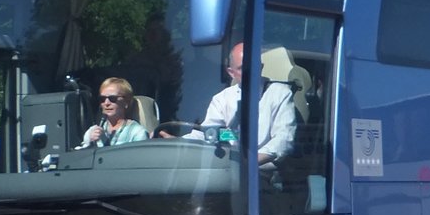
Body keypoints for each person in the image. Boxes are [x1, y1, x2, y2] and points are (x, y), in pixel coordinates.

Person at [155, 43, 296, 165]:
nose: (249, 72)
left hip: (263, 172)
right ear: (231, 72)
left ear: (260, 67)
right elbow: (208, 133)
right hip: (229, 168)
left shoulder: (280, 94)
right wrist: (177, 142)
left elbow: (284, 138)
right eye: (242, 68)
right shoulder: (222, 99)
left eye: (253, 66)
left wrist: (252, 161)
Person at [79, 77, 150, 148]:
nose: (106, 103)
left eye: (112, 98)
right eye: (102, 99)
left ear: (126, 102)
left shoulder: (137, 133)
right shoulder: (93, 131)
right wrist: (89, 143)